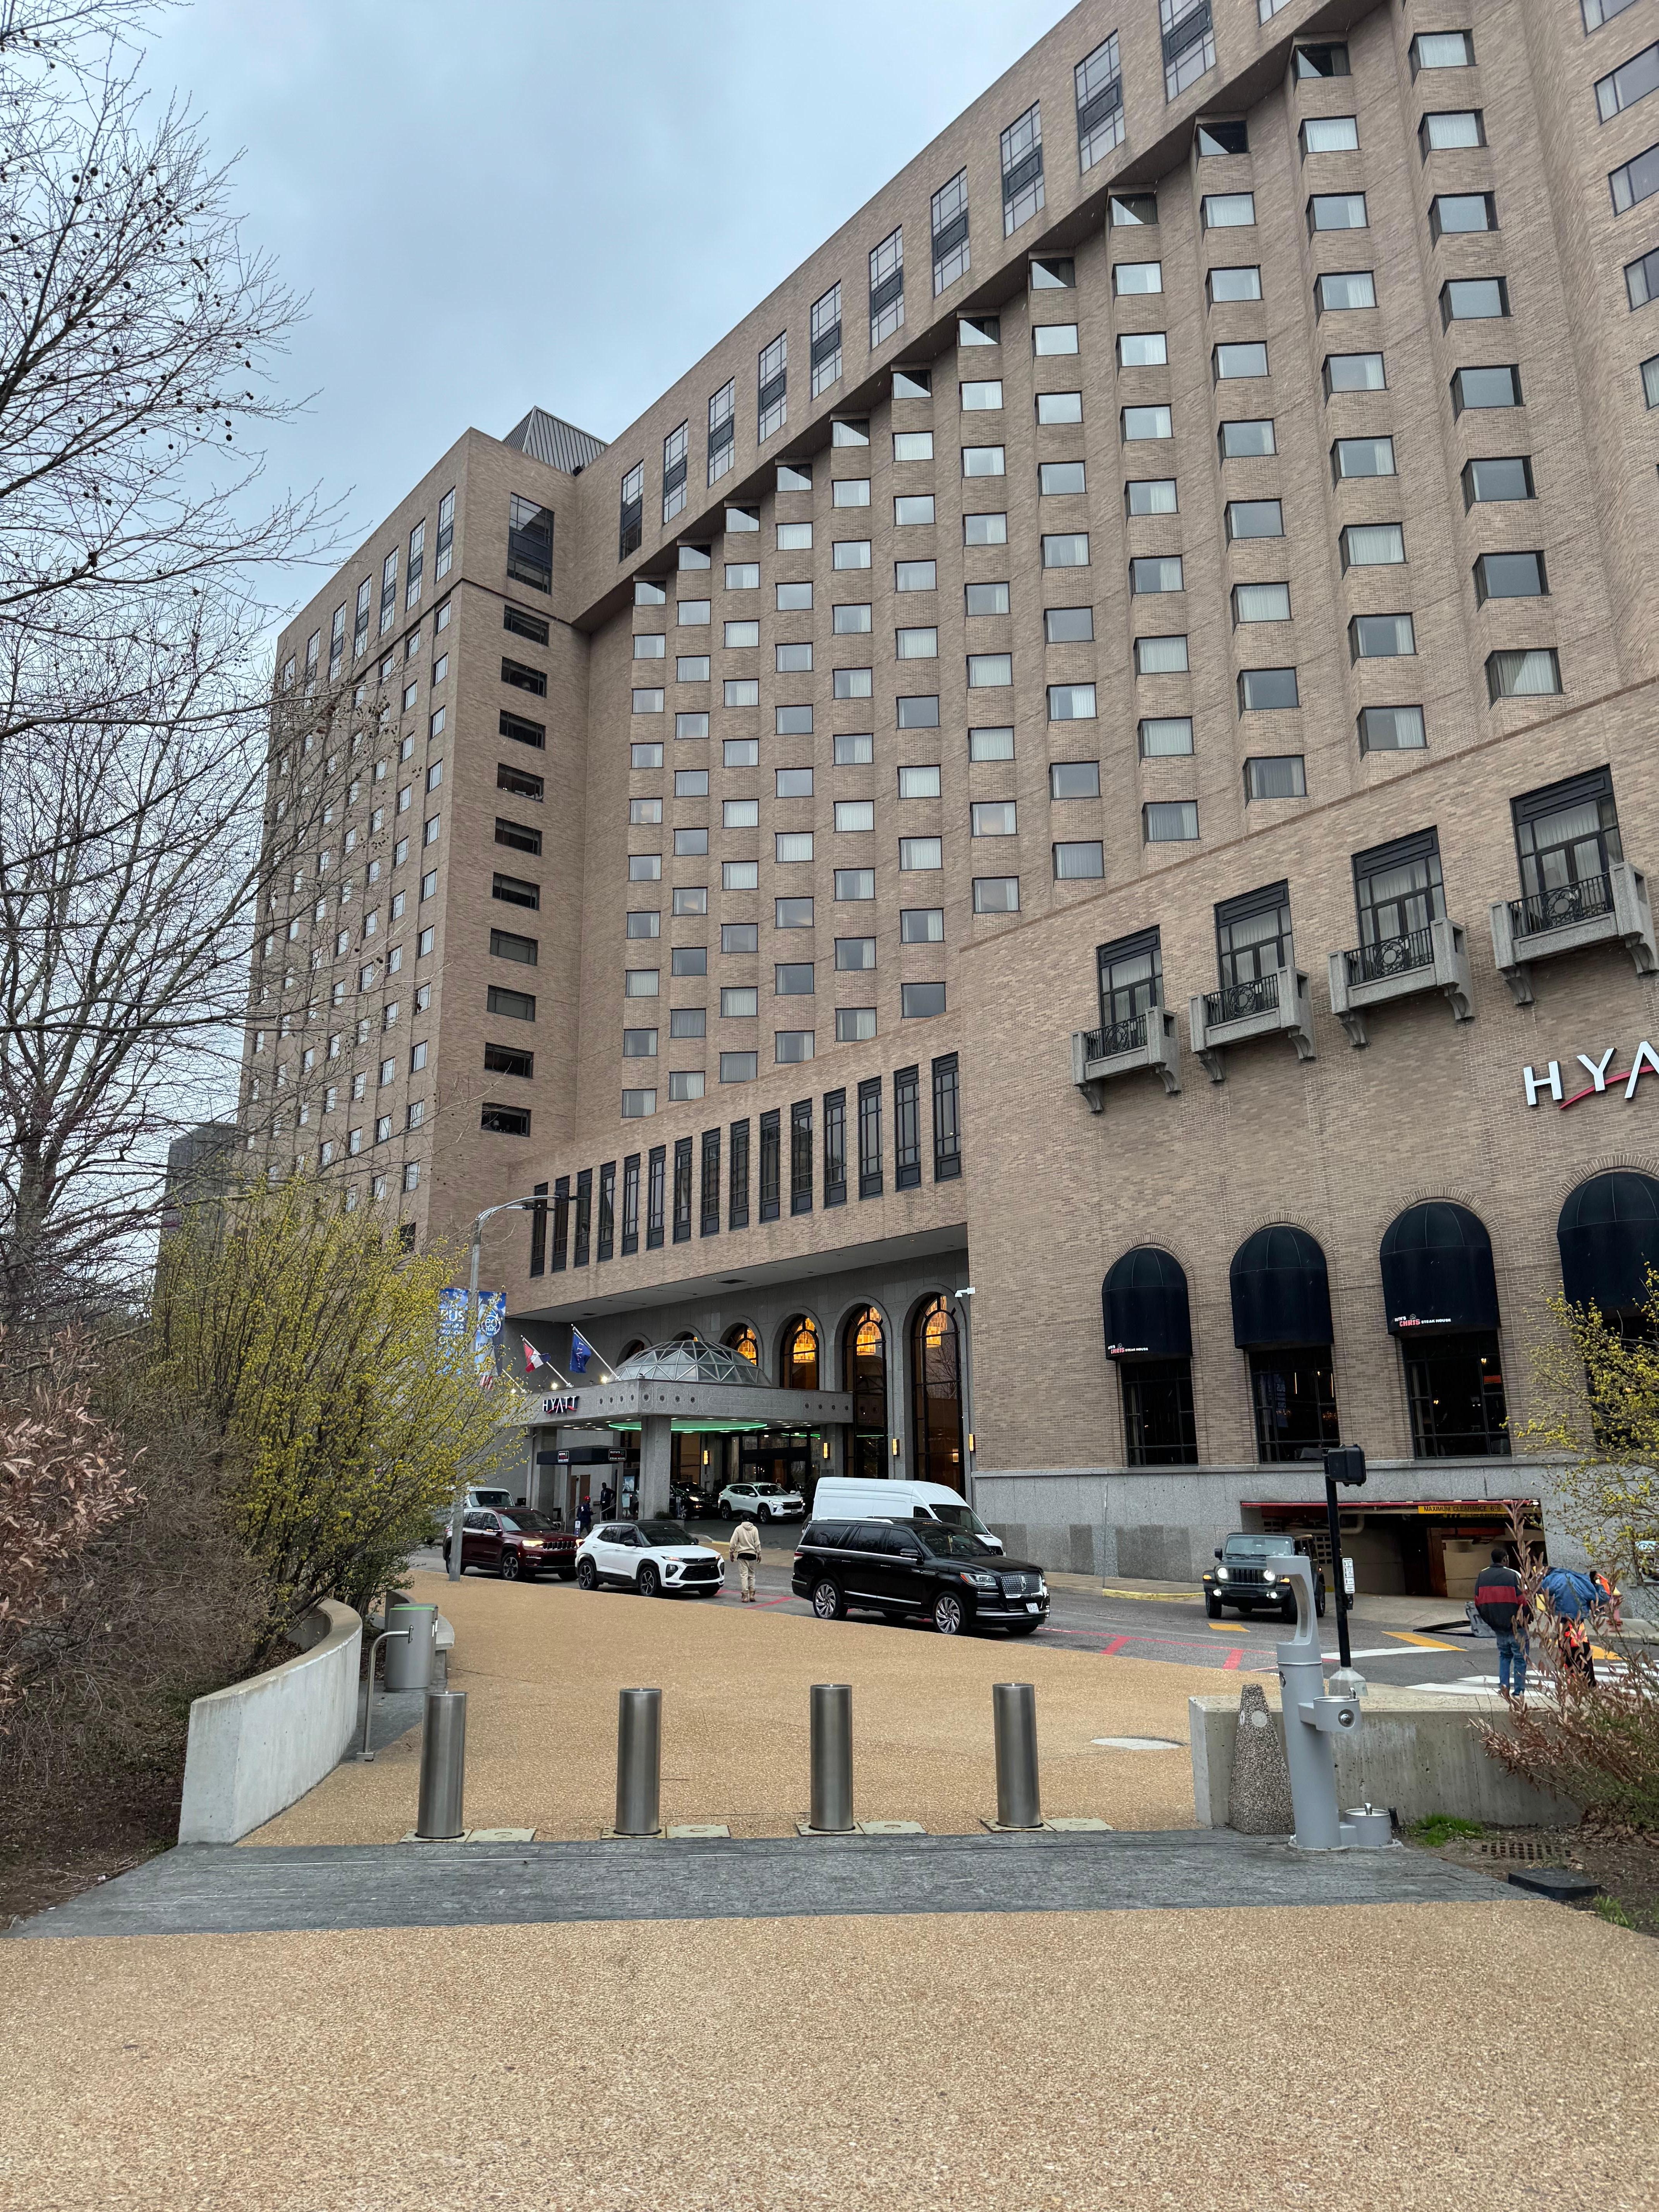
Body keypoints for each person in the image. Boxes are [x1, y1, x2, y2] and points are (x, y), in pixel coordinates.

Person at [1473, 1547, 1529, 1703]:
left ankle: (1504, 1687)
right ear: (1505, 1559)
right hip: (1516, 1625)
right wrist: (1526, 1619)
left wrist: (1491, 1621)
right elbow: (1523, 1601)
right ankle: (1519, 1691)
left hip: (1497, 1625)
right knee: (1520, 1658)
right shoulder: (1514, 1575)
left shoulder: (1482, 1576)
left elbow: (1478, 1602)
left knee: (1504, 1656)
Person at [728, 1514, 762, 1604]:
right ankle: (752, 1594)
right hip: (752, 1555)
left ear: (742, 1519)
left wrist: (731, 1552)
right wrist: (759, 1554)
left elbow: (733, 1543)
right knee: (752, 1575)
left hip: (742, 1555)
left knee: (744, 1575)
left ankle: (745, 1596)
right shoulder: (754, 1529)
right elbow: (757, 1543)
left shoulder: (739, 1529)